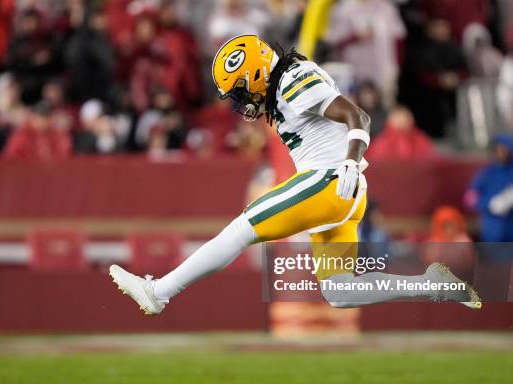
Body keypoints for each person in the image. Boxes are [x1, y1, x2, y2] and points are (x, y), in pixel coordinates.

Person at [109, 35, 481, 315]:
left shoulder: (290, 79)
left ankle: (159, 292)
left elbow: (359, 117)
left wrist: (351, 161)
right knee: (340, 292)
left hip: (331, 180)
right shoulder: (283, 84)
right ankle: (431, 284)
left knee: (242, 229)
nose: (240, 103)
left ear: (255, 72)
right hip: (344, 194)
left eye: (239, 91)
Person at [466, 135, 513, 242]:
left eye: (504, 150)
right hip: (492, 228)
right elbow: (469, 197)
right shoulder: (486, 173)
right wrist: (489, 204)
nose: (501, 153)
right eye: (498, 149)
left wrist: (509, 200)